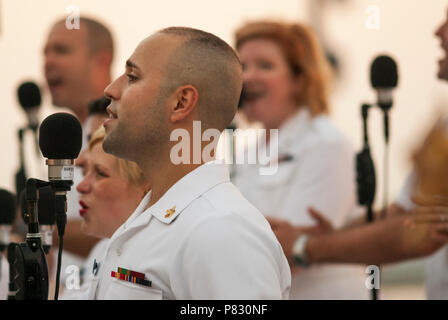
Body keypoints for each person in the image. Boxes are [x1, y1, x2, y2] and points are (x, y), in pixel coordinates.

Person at [87, 27, 291, 300]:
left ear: (181, 102)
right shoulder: (153, 217)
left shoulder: (221, 230)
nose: (110, 90)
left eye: (133, 77)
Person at [268, 12, 448, 300]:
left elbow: (425, 230)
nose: (437, 32)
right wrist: (325, 236)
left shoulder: (328, 142)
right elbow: (404, 212)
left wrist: (304, 246)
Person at [232, 21, 367, 299]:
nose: (248, 77)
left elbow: (285, 250)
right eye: (242, 67)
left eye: (265, 66)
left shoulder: (326, 143)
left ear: (299, 79)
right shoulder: (245, 152)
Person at [42, 16, 114, 275]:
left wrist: (37, 227)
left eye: (61, 50)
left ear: (101, 60)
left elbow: (121, 226)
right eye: (45, 52)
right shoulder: (66, 136)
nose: (48, 61)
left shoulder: (123, 134)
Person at [61, 127, 149, 299]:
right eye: (85, 172)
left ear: (145, 187)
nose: (81, 186)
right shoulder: (103, 249)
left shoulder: (162, 251)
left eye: (100, 173)